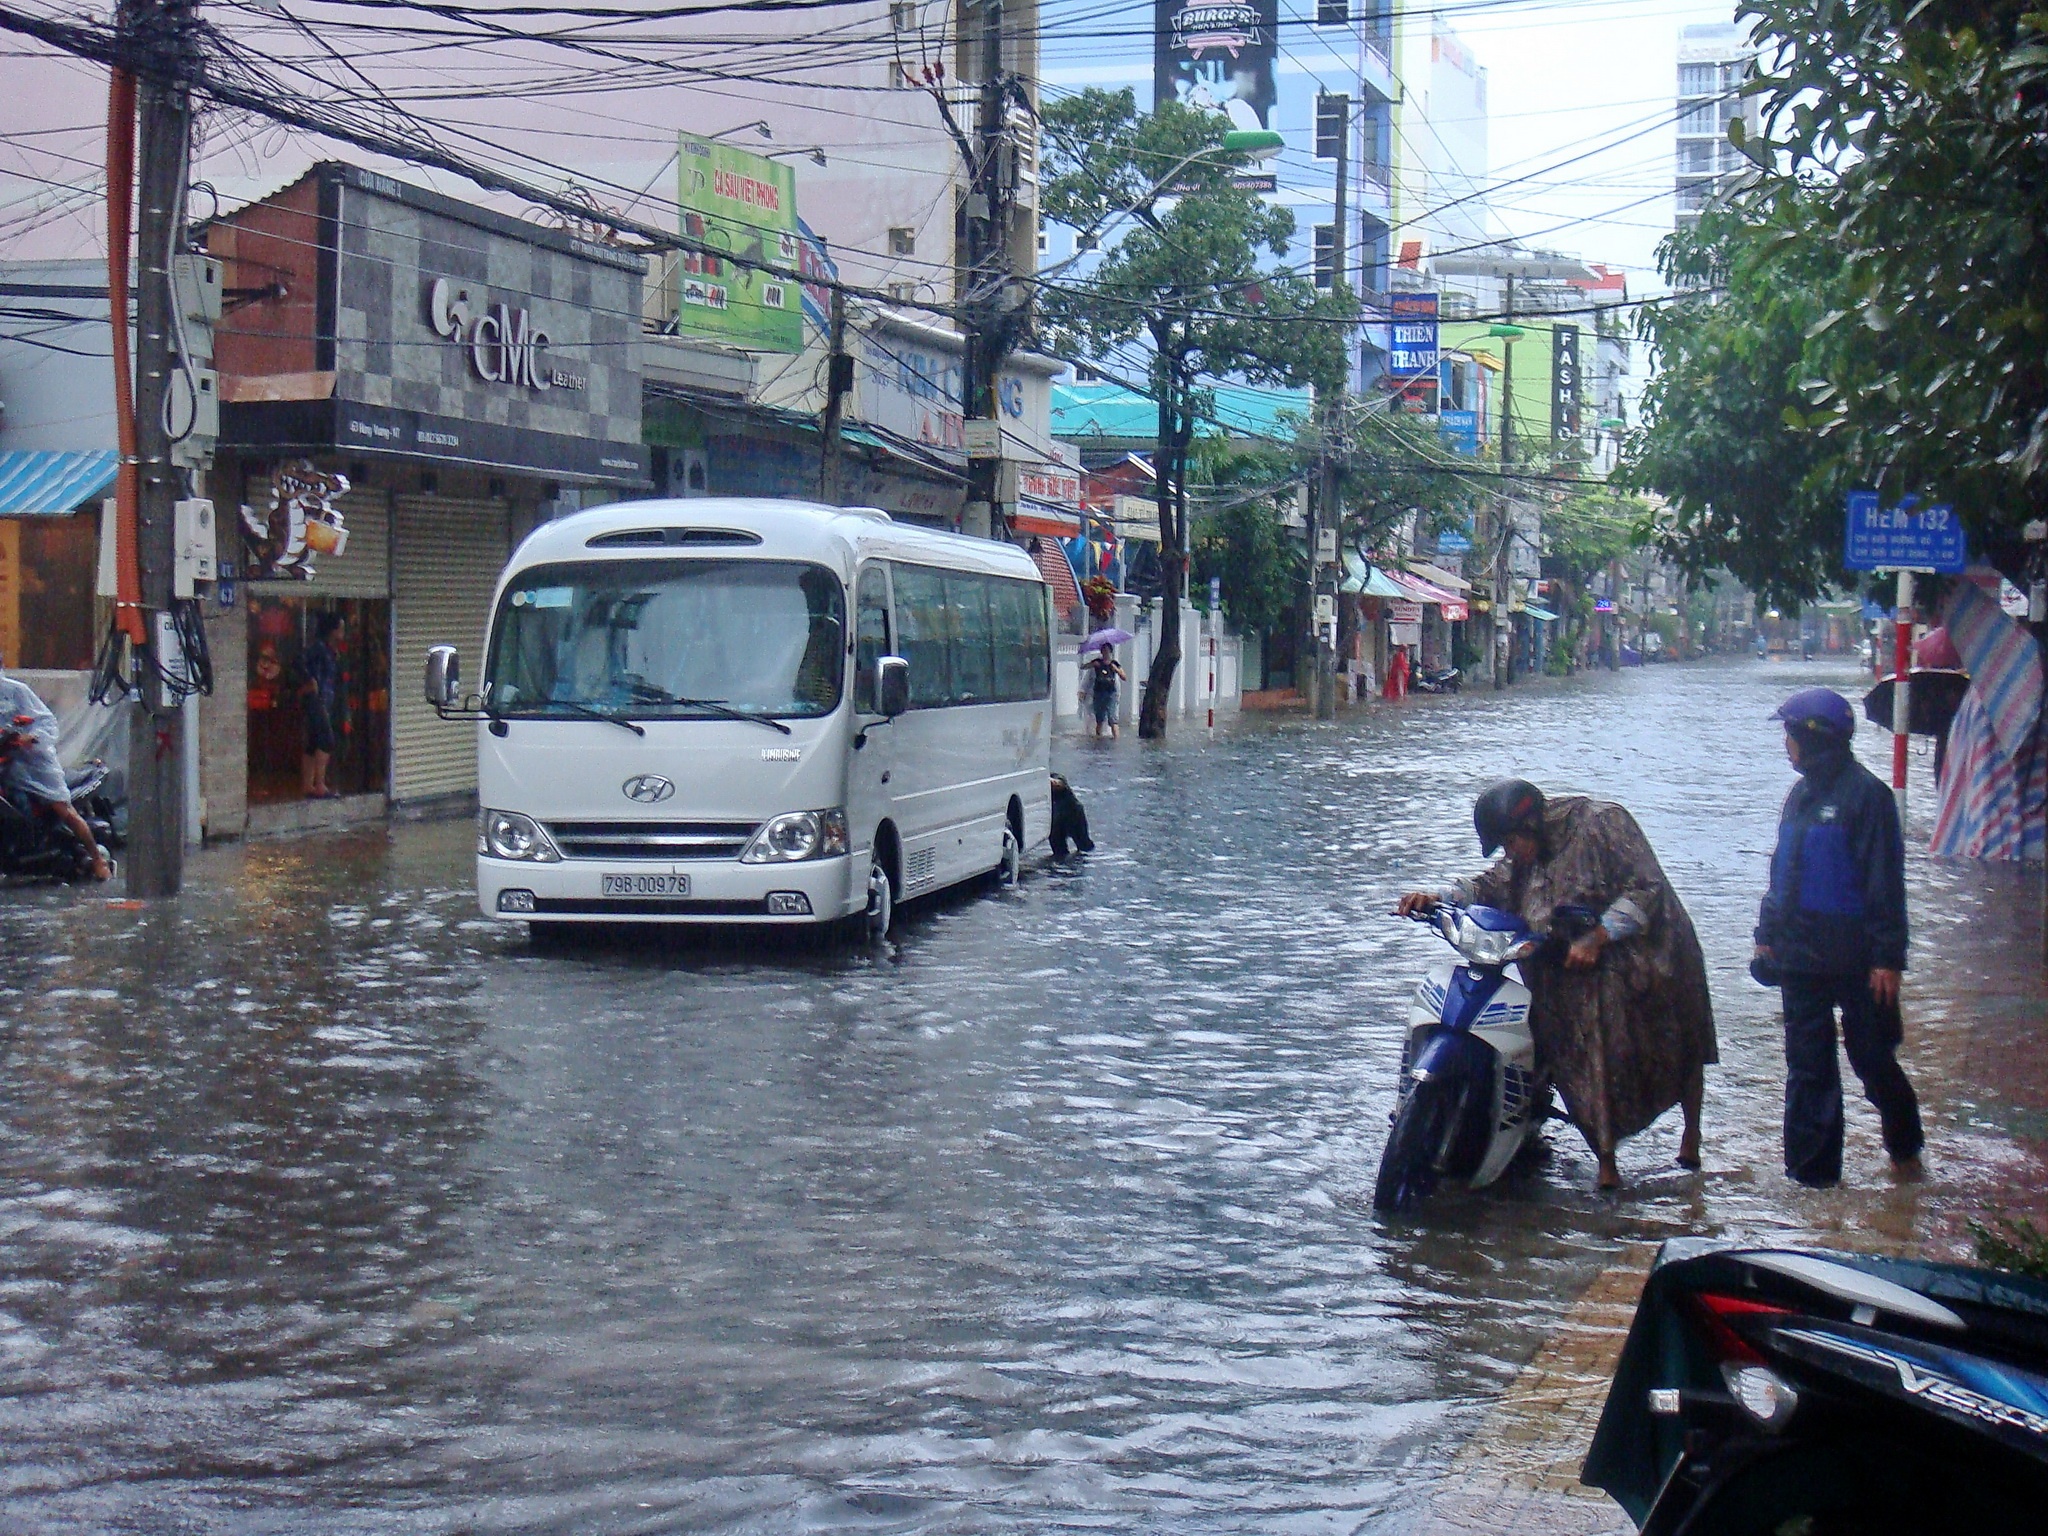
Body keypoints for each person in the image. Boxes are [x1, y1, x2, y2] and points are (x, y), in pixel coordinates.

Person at [1397, 780, 1717, 1190]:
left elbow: (1646, 887)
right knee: (1578, 1056)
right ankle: (1605, 1158)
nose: (1511, 852)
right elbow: (1491, 884)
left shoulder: (1602, 823)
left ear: (1531, 825)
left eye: (1511, 842)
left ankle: (1691, 1134)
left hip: (1649, 952)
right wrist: (1439, 897)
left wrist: (1599, 936)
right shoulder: (1523, 858)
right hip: (1566, 960)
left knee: (1682, 1045)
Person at [1754, 687, 1924, 1186]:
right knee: (1808, 1070)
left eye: (1790, 734)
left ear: (1812, 738)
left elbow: (1884, 883)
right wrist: (1766, 934)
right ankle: (1813, 1180)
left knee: (1872, 1059)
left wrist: (1888, 958)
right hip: (1800, 959)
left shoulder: (1868, 797)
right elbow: (1782, 873)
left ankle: (1905, 1148)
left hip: (1858, 962)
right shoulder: (1799, 797)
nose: (1786, 744)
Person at [0, 658, 111, 881]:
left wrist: (30, 737)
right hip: (7, 762)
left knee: (62, 808)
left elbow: (46, 722)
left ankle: (97, 859)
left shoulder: (16, 691)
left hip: (34, 762)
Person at [299, 612, 345, 799]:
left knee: (313, 742)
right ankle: (319, 784)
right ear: (332, 630)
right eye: (340, 628)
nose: (343, 632)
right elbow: (300, 661)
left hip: (325, 700)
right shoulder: (318, 648)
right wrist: (310, 679)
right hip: (316, 699)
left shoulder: (332, 650)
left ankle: (308, 785)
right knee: (326, 740)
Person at [1083, 645, 1124, 738]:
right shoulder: (1097, 662)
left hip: (1111, 693)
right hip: (1099, 693)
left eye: (1107, 651)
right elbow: (1083, 667)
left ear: (1110, 652)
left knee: (1112, 718)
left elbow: (1124, 677)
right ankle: (1099, 739)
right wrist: (1092, 664)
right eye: (1104, 651)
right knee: (1099, 719)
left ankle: (1116, 739)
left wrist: (1116, 670)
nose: (1105, 653)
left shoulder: (1114, 663)